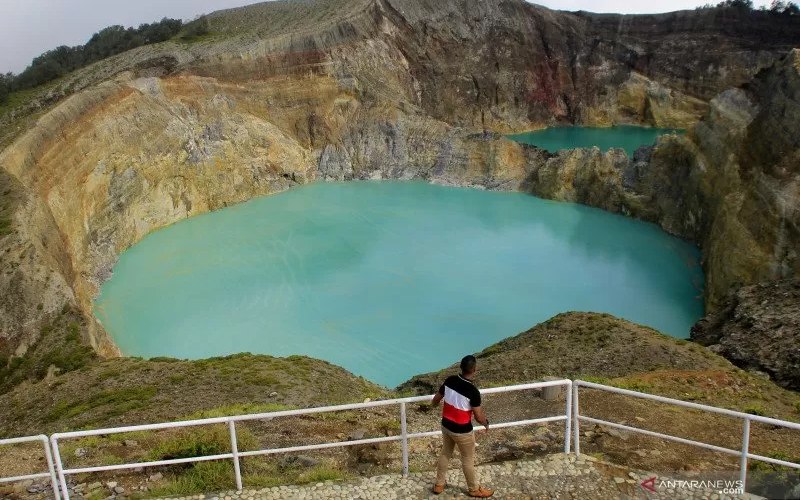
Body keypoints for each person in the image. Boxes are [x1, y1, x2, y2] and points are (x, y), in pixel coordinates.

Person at [430, 355, 493, 497]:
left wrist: (431, 406)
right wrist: (486, 423)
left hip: (446, 425)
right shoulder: (473, 391)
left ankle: (439, 484)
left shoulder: (449, 380)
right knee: (467, 459)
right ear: (474, 369)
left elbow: (436, 399)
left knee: (445, 453)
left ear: (461, 367)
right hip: (463, 431)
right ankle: (474, 489)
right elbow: (478, 416)